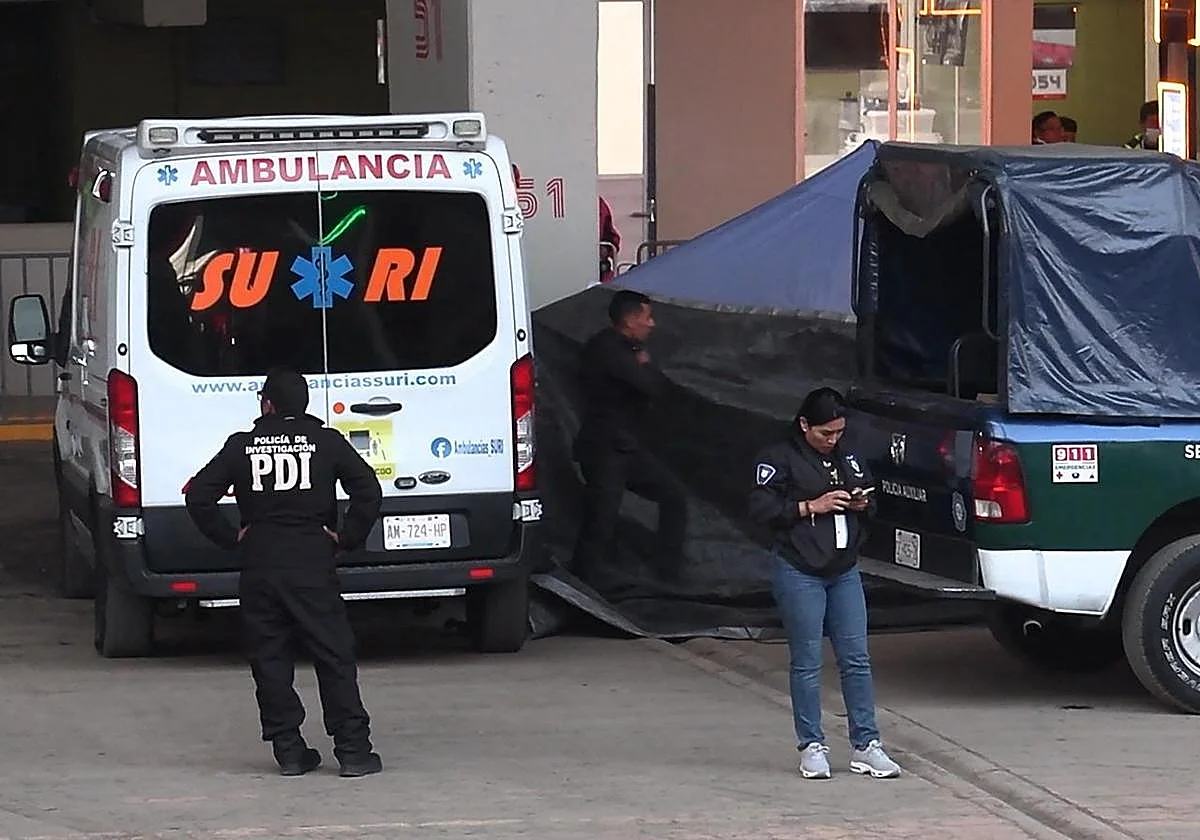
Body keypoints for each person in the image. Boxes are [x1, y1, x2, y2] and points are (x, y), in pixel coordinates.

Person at [184, 367, 384, 778]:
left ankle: (289, 750)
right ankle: (353, 751)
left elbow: (199, 495)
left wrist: (230, 536)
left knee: (270, 656)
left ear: (267, 404)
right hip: (312, 560)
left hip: (260, 562)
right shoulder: (327, 442)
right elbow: (368, 490)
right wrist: (346, 537)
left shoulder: (241, 446)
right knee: (333, 653)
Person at [748, 387, 900, 781]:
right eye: (825, 433)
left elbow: (871, 499)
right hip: (800, 568)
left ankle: (866, 743)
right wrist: (808, 506)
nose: (832, 439)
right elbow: (760, 507)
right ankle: (811, 745)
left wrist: (862, 503)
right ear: (804, 425)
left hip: (843, 568)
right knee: (807, 661)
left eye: (838, 432)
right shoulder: (779, 456)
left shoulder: (848, 456)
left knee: (856, 659)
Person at [572, 289, 687, 580]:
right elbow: (649, 386)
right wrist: (644, 364)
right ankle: (587, 580)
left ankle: (668, 571)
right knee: (601, 518)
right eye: (648, 317)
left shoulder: (627, 349)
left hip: (626, 447)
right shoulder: (607, 349)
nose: (652, 324)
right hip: (604, 448)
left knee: (673, 496)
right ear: (630, 319)